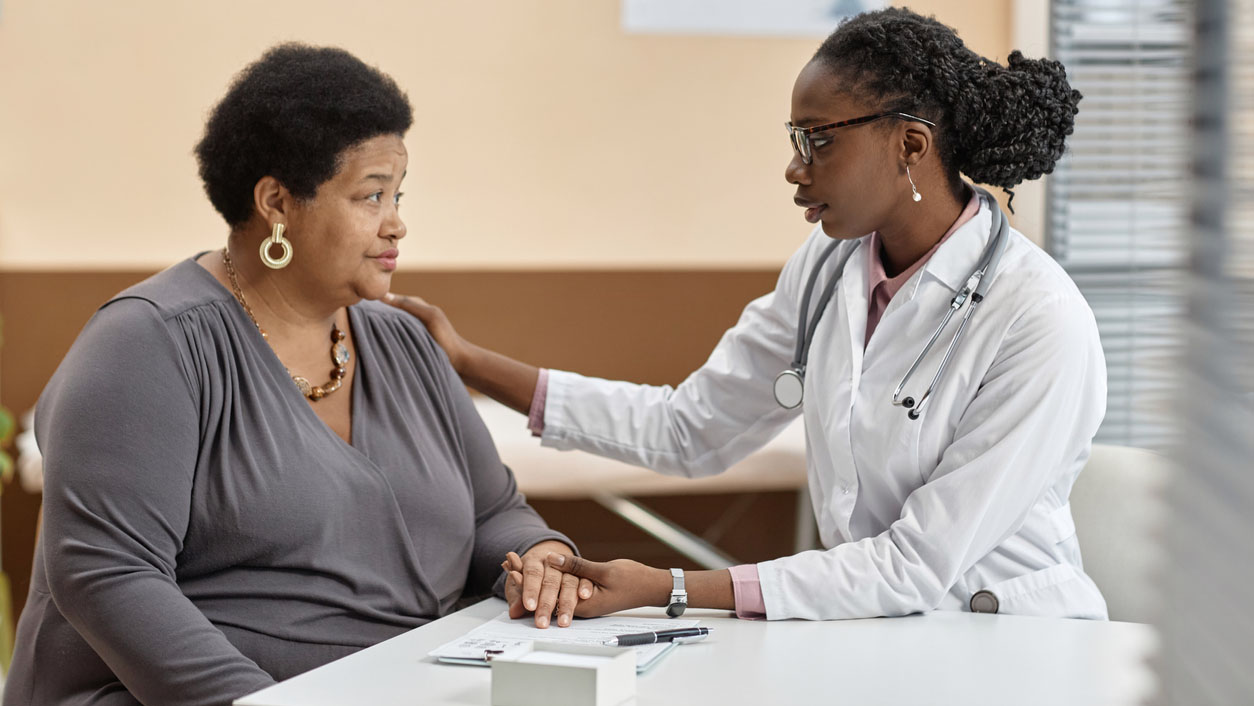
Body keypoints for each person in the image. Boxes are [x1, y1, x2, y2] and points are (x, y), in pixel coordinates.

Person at [390, 8, 1108, 624]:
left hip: (1011, 642)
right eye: (794, 138)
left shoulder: (1037, 318)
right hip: (875, 630)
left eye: (819, 139)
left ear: (911, 146)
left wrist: (671, 588)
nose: (795, 168)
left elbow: (912, 565)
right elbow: (689, 429)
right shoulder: (827, 270)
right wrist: (464, 359)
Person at [4, 44, 585, 706]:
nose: (397, 223)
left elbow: (494, 513)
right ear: (277, 202)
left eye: (397, 195)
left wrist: (539, 559)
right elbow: (109, 574)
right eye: (371, 196)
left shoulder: (403, 342)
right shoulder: (147, 344)